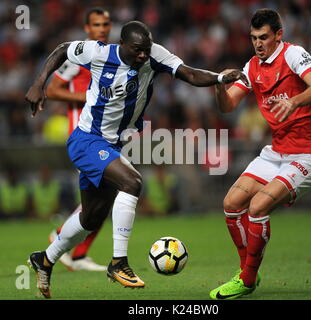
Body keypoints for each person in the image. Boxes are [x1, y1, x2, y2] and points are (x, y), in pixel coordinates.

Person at [25, 20, 247, 298]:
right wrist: (38, 84)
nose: (143, 55)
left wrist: (218, 78)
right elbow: (61, 50)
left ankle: (44, 259)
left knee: (91, 218)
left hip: (113, 144)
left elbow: (188, 73)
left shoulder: (154, 54)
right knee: (132, 182)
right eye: (137, 50)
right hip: (86, 140)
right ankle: (118, 262)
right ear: (123, 45)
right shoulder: (98, 53)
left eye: (146, 49)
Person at [209, 8, 311, 300]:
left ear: (278, 35)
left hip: (309, 155)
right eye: (253, 38)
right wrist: (218, 85)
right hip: (276, 152)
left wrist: (295, 102)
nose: (258, 44)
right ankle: (246, 273)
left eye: (264, 37)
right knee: (231, 204)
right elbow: (227, 106)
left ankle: (247, 281)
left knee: (257, 208)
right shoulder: (252, 67)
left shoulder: (293, 55)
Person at [45, 7, 112, 272]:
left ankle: (77, 253)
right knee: (106, 195)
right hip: (83, 135)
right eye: (96, 24)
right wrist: (88, 98)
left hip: (104, 134)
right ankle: (62, 239)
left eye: (105, 23)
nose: (102, 28)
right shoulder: (78, 56)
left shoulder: (110, 54)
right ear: (87, 28)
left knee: (106, 196)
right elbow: (53, 90)